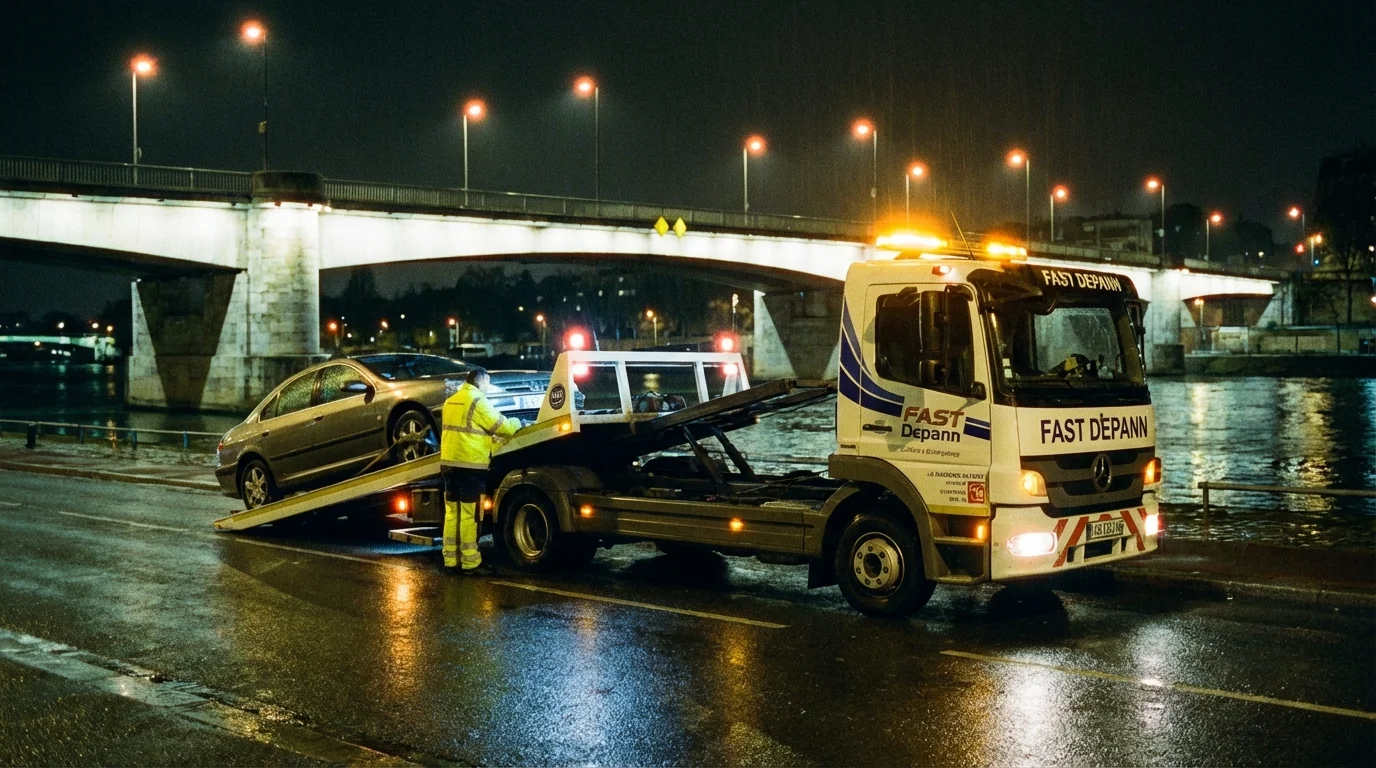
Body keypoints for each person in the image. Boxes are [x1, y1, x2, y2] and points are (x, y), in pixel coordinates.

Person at [440, 367, 521, 574]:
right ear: (480, 381)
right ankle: (470, 563)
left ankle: (450, 560)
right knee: (469, 515)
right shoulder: (477, 401)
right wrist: (518, 422)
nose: (487, 387)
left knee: (452, 513)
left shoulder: (451, 401)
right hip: (470, 466)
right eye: (487, 383)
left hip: (449, 464)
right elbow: (503, 427)